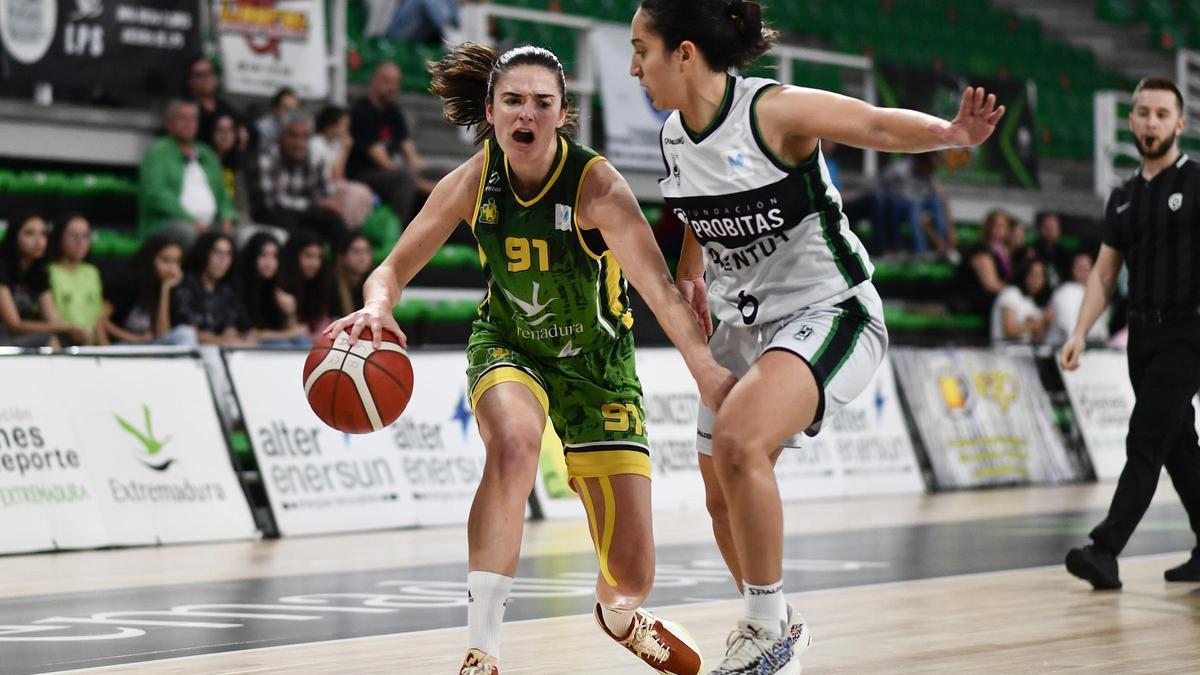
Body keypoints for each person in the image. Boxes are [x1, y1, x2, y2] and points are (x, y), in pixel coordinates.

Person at [325, 42, 737, 675]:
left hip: (598, 367)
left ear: (562, 114)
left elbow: (661, 294)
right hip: (510, 344)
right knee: (513, 445)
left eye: (542, 103)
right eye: (513, 101)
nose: (527, 114)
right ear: (490, 112)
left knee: (633, 572)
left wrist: (707, 372)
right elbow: (392, 268)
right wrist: (378, 306)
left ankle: (620, 615)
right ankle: (482, 650)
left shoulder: (597, 185)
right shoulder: (471, 181)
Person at [629, 1, 1005, 672]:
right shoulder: (673, 137)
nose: (632, 67)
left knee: (744, 440)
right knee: (719, 492)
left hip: (829, 311)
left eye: (641, 50)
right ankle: (781, 631)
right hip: (742, 329)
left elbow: (872, 123)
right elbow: (696, 202)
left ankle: (766, 632)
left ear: (684, 54)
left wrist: (949, 133)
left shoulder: (772, 111)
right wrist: (690, 265)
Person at [1062, 76, 1200, 589]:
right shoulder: (1122, 198)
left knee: (1145, 438)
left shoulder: (1197, 183)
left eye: (1162, 114)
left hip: (1189, 331)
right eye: (1142, 112)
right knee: (1178, 444)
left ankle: (1105, 549)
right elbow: (1102, 273)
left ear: (1180, 124)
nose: (1151, 122)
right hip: (1140, 336)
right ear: (1131, 120)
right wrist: (1079, 332)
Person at [138, 100, 237, 246]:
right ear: (169, 123)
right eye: (182, 118)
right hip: (170, 222)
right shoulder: (157, 153)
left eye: (192, 119)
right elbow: (156, 195)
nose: (188, 123)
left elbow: (223, 196)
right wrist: (191, 220)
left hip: (211, 222)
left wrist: (228, 218)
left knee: (244, 236)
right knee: (189, 233)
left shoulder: (208, 154)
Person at [346, 63, 433, 220]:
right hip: (364, 174)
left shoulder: (394, 113)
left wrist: (433, 179)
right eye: (387, 81)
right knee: (405, 179)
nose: (392, 87)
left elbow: (411, 155)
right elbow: (384, 163)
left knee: (441, 174)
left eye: (396, 82)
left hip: (388, 173)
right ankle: (399, 236)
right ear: (374, 81)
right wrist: (424, 185)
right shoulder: (361, 112)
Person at [249, 112, 348, 245]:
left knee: (335, 222)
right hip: (273, 212)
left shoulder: (316, 159)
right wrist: (316, 204)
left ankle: (341, 261)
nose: (299, 143)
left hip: (308, 212)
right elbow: (274, 201)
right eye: (293, 136)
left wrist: (327, 204)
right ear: (282, 136)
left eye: (305, 137)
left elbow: (327, 195)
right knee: (286, 219)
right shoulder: (268, 157)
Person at [0, 213, 90, 348]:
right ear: (14, 236)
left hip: (23, 339)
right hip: (5, 338)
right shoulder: (3, 267)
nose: (39, 241)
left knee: (72, 341)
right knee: (49, 339)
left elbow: (53, 320)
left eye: (43, 234)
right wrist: (68, 328)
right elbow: (14, 325)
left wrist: (75, 331)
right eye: (30, 233)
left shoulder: (39, 273)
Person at [102, 235, 197, 346]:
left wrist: (165, 290)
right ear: (150, 258)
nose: (172, 268)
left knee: (186, 333)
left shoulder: (171, 286)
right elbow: (101, 320)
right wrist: (135, 339)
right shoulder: (129, 281)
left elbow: (162, 334)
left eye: (176, 262)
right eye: (165, 260)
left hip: (149, 346)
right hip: (123, 345)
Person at [172, 232, 257, 347]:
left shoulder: (226, 291)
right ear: (204, 253)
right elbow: (185, 328)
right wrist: (223, 341)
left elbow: (238, 327)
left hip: (222, 350)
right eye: (217, 252)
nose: (223, 260)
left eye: (228, 254)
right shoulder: (185, 283)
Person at [236, 232, 311, 348]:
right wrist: (288, 334)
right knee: (282, 345)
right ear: (252, 257)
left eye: (274, 256)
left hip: (274, 338)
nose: (269, 263)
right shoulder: (240, 287)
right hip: (249, 347)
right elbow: (249, 333)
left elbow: (290, 327)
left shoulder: (277, 287)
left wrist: (290, 313)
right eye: (263, 255)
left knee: (305, 342)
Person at [312, 105, 376, 228]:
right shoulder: (316, 144)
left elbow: (340, 177)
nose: (347, 131)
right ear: (330, 126)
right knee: (356, 192)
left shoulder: (336, 144)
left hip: (334, 184)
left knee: (364, 191)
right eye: (344, 126)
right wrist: (345, 150)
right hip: (321, 188)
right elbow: (335, 176)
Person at [47, 213, 106, 345]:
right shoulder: (48, 272)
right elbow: (50, 319)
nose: (80, 242)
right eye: (73, 236)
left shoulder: (92, 272)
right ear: (59, 238)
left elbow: (97, 319)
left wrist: (105, 349)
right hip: (61, 344)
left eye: (85, 236)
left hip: (89, 345)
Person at [951, 208, 1013, 315]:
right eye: (996, 226)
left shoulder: (1003, 251)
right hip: (971, 299)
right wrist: (1016, 292)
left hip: (991, 298)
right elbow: (991, 284)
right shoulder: (980, 249)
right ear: (988, 228)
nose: (999, 230)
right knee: (1010, 303)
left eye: (1003, 226)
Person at [185, 56, 250, 152]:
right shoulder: (185, 109)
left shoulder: (225, 107)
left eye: (210, 73)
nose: (206, 78)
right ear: (190, 81)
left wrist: (242, 131)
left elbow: (246, 127)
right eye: (200, 75)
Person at [278, 229, 333, 338]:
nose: (315, 263)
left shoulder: (319, 285)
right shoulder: (279, 286)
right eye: (308, 256)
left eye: (318, 257)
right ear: (293, 256)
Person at [1048, 252, 1109, 345]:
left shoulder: (1098, 293)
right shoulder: (1065, 291)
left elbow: (1102, 331)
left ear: (1092, 270)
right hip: (1065, 346)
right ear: (1073, 270)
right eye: (1079, 268)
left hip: (1095, 346)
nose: (1083, 272)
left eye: (1086, 268)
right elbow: (1069, 330)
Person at [989, 258, 1052, 345]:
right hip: (1004, 355)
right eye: (1033, 275)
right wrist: (1035, 324)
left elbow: (1038, 340)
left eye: (1041, 276)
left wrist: (1045, 323)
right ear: (1024, 275)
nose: (1036, 280)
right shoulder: (1011, 293)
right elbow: (1009, 331)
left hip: (1026, 354)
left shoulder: (1033, 302)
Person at [1020, 211, 1073, 289]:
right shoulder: (1031, 251)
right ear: (1040, 230)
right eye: (1047, 227)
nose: (1050, 231)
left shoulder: (1065, 254)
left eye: (1053, 228)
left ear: (1059, 231)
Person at [329, 232, 374, 318]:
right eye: (356, 251)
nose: (362, 257)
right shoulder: (330, 285)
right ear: (341, 257)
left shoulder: (373, 284)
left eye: (367, 251)